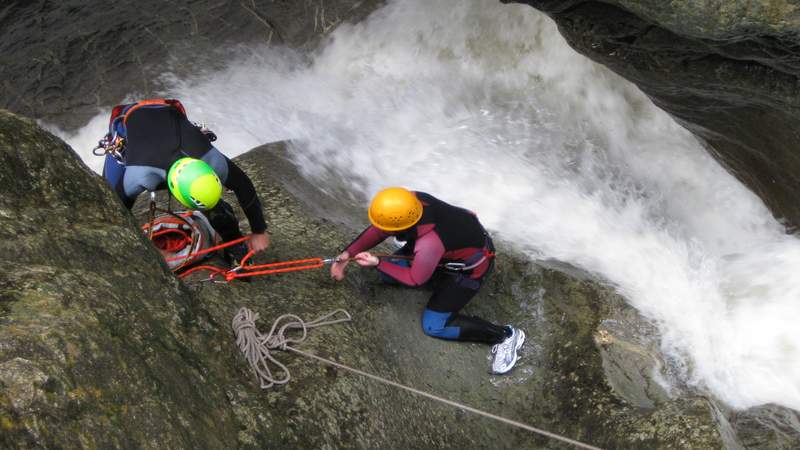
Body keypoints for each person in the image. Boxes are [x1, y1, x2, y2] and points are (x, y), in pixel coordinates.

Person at [330, 187, 525, 374]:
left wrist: (378, 262)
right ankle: (435, 277)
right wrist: (347, 254)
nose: (383, 229)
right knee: (389, 274)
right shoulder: (409, 202)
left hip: (469, 270)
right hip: (451, 249)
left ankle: (504, 336)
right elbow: (380, 229)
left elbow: (415, 279)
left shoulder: (430, 243)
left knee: (434, 326)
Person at [100, 98, 269, 263]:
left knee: (219, 212)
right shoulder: (139, 176)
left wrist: (259, 230)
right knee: (106, 196)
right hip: (126, 122)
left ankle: (233, 241)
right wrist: (155, 252)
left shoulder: (211, 160)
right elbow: (115, 215)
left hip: (169, 115)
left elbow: (243, 185)